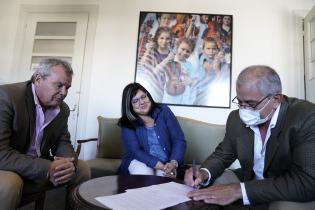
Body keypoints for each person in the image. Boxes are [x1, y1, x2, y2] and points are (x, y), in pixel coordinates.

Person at [185, 65, 315, 209]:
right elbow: (222, 155)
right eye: (240, 102)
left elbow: (307, 181)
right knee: (216, 183)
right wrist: (203, 172)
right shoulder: (235, 118)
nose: (243, 110)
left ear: (276, 99)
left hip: (284, 188)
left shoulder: (306, 117)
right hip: (249, 179)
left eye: (251, 104)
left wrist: (240, 190)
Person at [0, 58, 90, 210]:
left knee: (81, 168)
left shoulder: (63, 109)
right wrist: (47, 168)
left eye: (67, 87)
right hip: (9, 167)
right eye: (59, 85)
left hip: (38, 163)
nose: (64, 93)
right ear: (38, 79)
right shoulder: (7, 97)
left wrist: (67, 164)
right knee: (11, 182)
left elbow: (63, 142)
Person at [118, 82, 186, 178]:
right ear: (130, 106)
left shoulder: (164, 111)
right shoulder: (126, 122)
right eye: (135, 101)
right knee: (144, 172)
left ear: (148, 95)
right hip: (138, 160)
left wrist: (173, 163)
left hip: (167, 162)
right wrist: (161, 166)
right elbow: (135, 151)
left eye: (143, 97)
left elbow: (178, 140)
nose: (142, 102)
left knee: (164, 177)